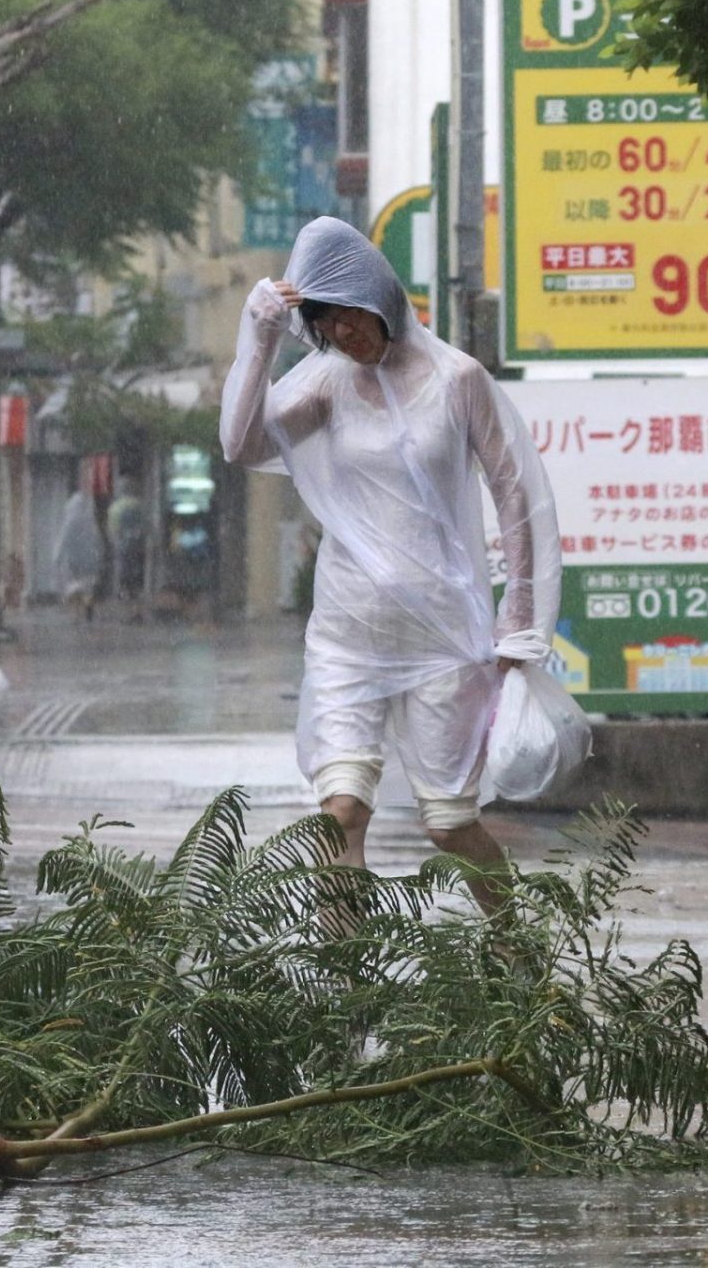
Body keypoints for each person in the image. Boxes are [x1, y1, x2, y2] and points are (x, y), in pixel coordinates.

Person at [219, 217, 559, 914]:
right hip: (350, 634)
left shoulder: (457, 379)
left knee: (449, 825)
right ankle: (347, 989)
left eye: (349, 315)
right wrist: (257, 342)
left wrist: (520, 618)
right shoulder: (327, 385)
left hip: (441, 639)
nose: (342, 334)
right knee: (340, 813)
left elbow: (513, 490)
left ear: (380, 298)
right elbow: (243, 444)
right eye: (324, 323)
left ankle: (516, 949)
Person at [51, 484, 104, 622]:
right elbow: (97, 539)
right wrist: (100, 555)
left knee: (74, 586)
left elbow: (63, 539)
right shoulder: (90, 521)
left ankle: (76, 614)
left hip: (74, 559)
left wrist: (57, 557)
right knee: (87, 585)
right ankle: (88, 604)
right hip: (90, 559)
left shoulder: (70, 521)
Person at [107, 476, 147, 617]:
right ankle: (138, 610)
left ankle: (129, 611)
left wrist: (116, 544)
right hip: (138, 550)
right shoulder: (140, 505)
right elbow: (146, 527)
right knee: (137, 583)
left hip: (123, 550)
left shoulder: (116, 508)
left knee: (125, 583)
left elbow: (112, 531)